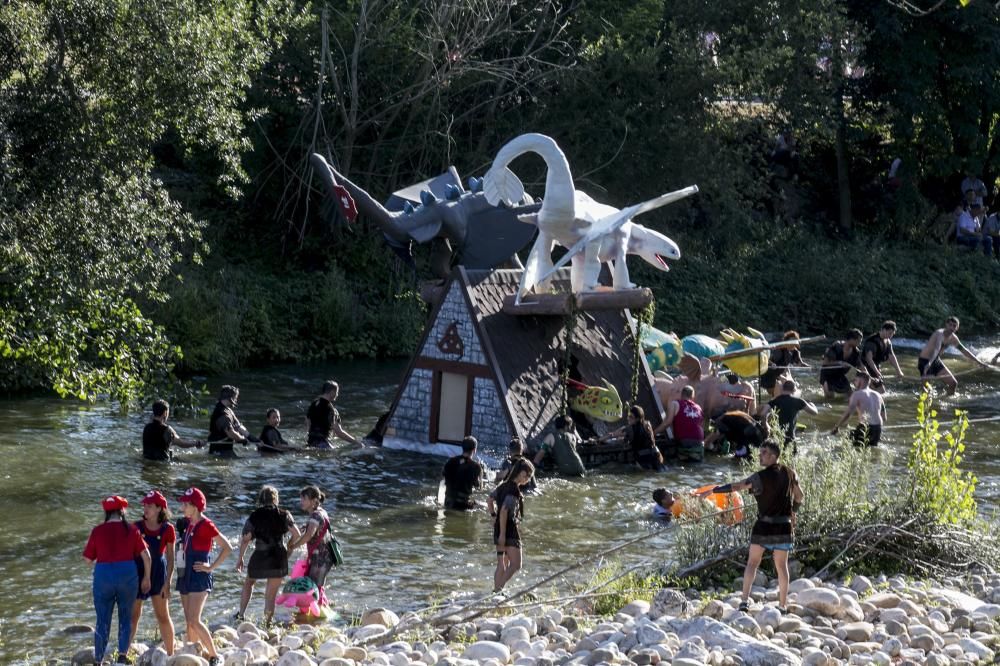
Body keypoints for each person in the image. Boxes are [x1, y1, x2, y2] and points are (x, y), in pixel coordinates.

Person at [698, 439, 803, 613]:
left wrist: (713, 490)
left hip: (763, 527)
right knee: (782, 566)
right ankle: (782, 606)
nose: (760, 456)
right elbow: (799, 496)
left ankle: (744, 602)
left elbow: (737, 486)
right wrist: (794, 512)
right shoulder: (791, 473)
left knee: (752, 563)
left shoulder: (759, 477)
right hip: (784, 527)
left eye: (763, 453)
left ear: (773, 456)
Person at [83, 495, 151, 664]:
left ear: (106, 511)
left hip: (104, 574)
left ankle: (98, 659)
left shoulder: (97, 531)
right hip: (127, 574)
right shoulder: (132, 530)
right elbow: (146, 556)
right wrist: (147, 578)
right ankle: (121, 655)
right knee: (126, 616)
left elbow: (88, 560)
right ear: (122, 511)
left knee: (102, 619)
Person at [176, 487, 232, 666]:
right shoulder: (187, 522)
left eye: (186, 504)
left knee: (194, 619)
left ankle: (215, 655)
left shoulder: (206, 524)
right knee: (188, 621)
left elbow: (227, 547)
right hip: (185, 573)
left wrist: (211, 567)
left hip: (199, 575)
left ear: (195, 506)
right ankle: (194, 652)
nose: (182, 507)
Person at [235, 486, 301, 625]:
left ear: (261, 500)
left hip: (260, 555)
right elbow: (297, 534)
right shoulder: (284, 514)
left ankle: (241, 614)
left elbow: (246, 538)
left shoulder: (254, 516)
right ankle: (267, 623)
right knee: (270, 596)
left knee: (249, 583)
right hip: (278, 557)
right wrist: (290, 546)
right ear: (276, 499)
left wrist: (240, 558)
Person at [127, 491, 176, 656]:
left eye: (149, 505)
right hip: (137, 571)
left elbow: (171, 558)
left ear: (159, 509)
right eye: (144, 505)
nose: (145, 508)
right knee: (133, 617)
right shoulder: (136, 527)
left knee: (163, 616)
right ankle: (122, 654)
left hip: (158, 573)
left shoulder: (168, 529)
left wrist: (168, 582)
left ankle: (171, 655)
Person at [489, 458, 535, 594]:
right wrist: (503, 534)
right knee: (516, 564)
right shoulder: (514, 491)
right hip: (508, 531)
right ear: (519, 473)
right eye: (526, 475)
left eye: (529, 477)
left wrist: (493, 516)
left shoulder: (502, 485)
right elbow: (503, 511)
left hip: (498, 528)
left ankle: (496, 593)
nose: (527, 479)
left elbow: (489, 500)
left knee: (501, 564)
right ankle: (498, 590)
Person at [286, 486, 337, 601]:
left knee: (313, 588)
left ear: (314, 501)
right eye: (301, 499)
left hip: (321, 559)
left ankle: (318, 611)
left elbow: (309, 535)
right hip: (324, 557)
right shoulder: (321, 512)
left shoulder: (315, 515)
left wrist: (293, 546)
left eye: (304, 499)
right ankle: (318, 612)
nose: (301, 502)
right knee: (315, 587)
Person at [919, 316, 991, 395]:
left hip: (935, 361)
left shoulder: (953, 339)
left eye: (954, 326)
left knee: (953, 383)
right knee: (926, 390)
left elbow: (964, 351)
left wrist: (979, 362)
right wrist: (929, 363)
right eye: (950, 325)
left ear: (957, 328)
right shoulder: (939, 334)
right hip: (925, 361)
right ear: (946, 325)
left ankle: (946, 401)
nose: (952, 327)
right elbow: (936, 349)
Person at [830, 372, 887, 447]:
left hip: (865, 428)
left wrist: (837, 427)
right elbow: (884, 417)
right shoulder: (878, 395)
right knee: (871, 450)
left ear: (861, 381)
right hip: (878, 428)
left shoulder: (857, 394)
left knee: (846, 446)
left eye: (855, 380)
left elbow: (848, 413)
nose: (854, 383)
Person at [758, 380, 818, 451]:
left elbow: (762, 414)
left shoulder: (775, 400)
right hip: (790, 437)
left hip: (777, 436)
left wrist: (766, 425)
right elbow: (814, 412)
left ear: (783, 389)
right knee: (792, 459)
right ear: (793, 390)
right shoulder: (798, 401)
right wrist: (812, 404)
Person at [604, 405, 662, 470]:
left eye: (631, 417)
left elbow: (612, 435)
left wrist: (598, 440)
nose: (628, 418)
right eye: (628, 416)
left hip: (643, 459)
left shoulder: (629, 429)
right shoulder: (648, 424)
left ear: (637, 419)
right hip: (657, 456)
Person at [306, 380, 361, 448]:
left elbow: (308, 420)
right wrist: (356, 442)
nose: (337, 395)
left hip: (311, 441)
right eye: (337, 392)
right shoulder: (331, 409)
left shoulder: (314, 404)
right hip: (323, 444)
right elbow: (339, 432)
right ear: (332, 392)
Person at [658, 385, 704, 462]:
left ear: (682, 394)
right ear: (693, 396)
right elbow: (700, 425)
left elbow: (667, 423)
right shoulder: (698, 407)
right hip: (699, 444)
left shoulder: (675, 404)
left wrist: (654, 432)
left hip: (684, 442)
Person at [207, 385, 254, 456]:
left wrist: (252, 438)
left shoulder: (229, 410)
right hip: (219, 452)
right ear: (230, 398)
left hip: (227, 450)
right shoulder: (222, 413)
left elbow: (239, 426)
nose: (236, 400)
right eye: (235, 397)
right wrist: (242, 439)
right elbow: (230, 433)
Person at [441, 436, 485, 510]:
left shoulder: (450, 461)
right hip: (463, 505)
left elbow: (442, 478)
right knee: (485, 506)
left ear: (462, 448)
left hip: (448, 502)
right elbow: (479, 488)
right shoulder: (476, 467)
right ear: (474, 450)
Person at [760, 331, 808, 396]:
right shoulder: (779, 350)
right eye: (791, 342)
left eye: (795, 341)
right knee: (773, 393)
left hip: (779, 374)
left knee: (788, 386)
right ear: (786, 342)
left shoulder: (795, 352)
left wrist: (805, 365)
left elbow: (799, 362)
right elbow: (766, 359)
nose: (793, 344)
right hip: (770, 373)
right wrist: (772, 364)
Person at [860, 320, 903, 391]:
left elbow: (892, 356)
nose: (891, 336)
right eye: (890, 333)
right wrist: (877, 372)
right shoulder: (872, 341)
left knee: (880, 391)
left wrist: (898, 371)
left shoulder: (888, 342)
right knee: (880, 391)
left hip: (875, 367)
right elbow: (868, 359)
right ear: (883, 330)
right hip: (865, 368)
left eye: (892, 334)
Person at [819, 329, 863, 398]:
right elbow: (825, 363)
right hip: (828, 375)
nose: (859, 344)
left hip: (840, 375)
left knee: (851, 396)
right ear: (851, 339)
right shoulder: (837, 347)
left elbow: (861, 366)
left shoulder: (856, 352)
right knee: (829, 397)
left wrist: (870, 377)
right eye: (858, 341)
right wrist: (840, 363)